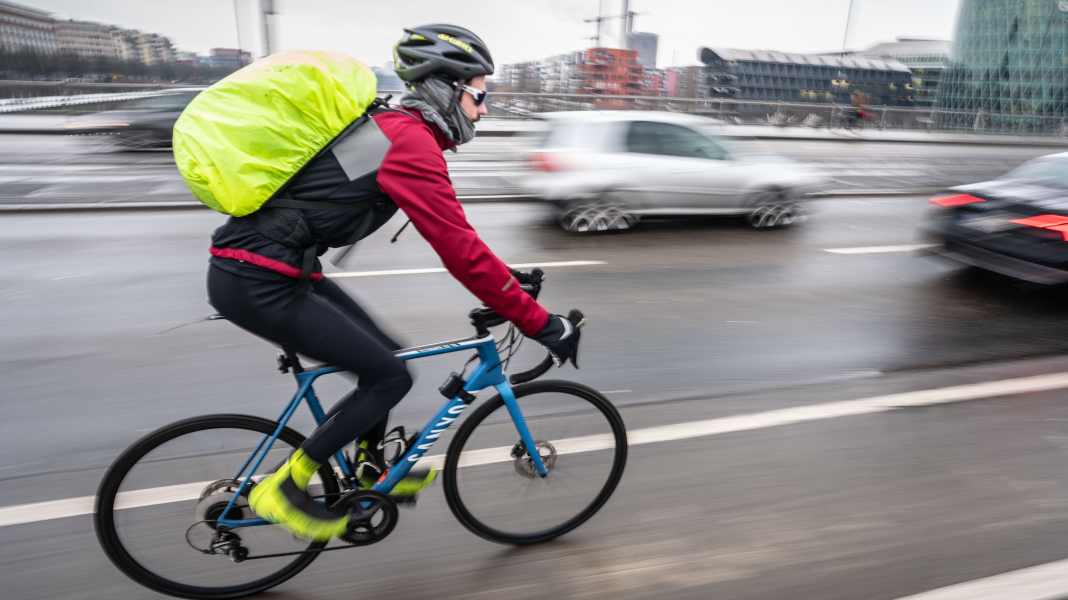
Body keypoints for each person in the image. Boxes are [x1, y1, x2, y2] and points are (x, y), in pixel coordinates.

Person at [205, 24, 581, 541]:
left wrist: (506, 280)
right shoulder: (407, 142)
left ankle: (368, 472)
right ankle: (284, 488)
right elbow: (459, 251)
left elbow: (457, 239)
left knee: (389, 359)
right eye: (480, 94)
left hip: (273, 269)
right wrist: (540, 323)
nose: (484, 108)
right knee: (389, 377)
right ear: (446, 87)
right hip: (258, 279)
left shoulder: (392, 128)